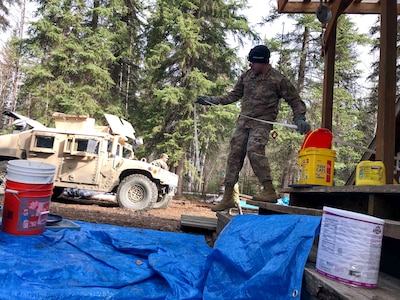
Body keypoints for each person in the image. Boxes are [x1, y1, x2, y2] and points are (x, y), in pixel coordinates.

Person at [196, 45, 310, 212]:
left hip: (262, 123)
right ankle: (228, 196)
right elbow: (233, 95)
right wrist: (213, 99)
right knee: (234, 154)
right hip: (243, 123)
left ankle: (269, 190)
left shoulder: (278, 79)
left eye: (253, 63)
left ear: (263, 62)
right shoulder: (247, 76)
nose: (250, 65)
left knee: (254, 150)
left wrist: (299, 117)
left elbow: (295, 100)